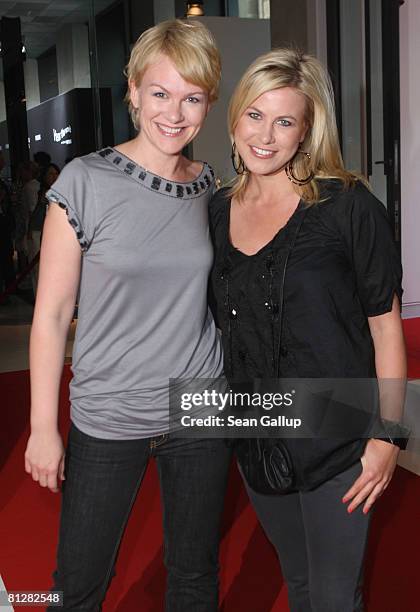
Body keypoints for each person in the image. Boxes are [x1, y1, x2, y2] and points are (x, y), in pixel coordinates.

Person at [24, 19, 231, 612]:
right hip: (109, 410)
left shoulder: (208, 184)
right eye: (160, 93)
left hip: (200, 407)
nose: (175, 111)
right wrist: (43, 428)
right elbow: (52, 313)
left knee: (194, 574)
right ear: (133, 92)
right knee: (78, 583)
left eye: (192, 97)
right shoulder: (84, 182)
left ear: (208, 104)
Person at [209, 48, 407, 612]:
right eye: (254, 115)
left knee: (333, 597)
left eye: (285, 120)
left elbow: (386, 327)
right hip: (255, 429)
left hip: (337, 434)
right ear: (236, 116)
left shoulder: (348, 207)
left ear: (307, 129)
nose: (265, 135)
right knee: (298, 582)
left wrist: (388, 435)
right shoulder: (217, 211)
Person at [27, 163, 60, 295]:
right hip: (38, 231)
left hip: (56, 233)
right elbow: (32, 214)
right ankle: (39, 295)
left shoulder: (62, 190)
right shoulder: (38, 191)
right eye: (50, 174)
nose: (54, 177)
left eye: (56, 173)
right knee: (38, 267)